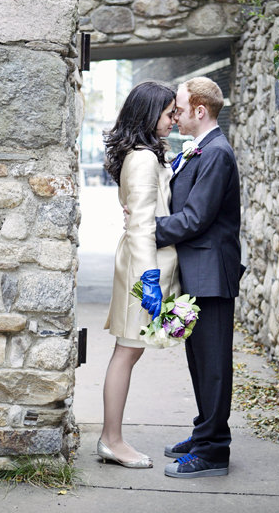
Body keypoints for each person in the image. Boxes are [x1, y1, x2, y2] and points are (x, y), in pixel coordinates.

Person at [156, 76, 242, 478]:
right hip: (197, 273)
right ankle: (204, 432)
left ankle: (213, 452)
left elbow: (195, 218)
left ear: (200, 111)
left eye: (180, 108)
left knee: (213, 365)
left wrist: (148, 228)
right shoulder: (203, 150)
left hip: (211, 275)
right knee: (199, 361)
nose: (175, 115)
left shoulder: (217, 154)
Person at [98, 81, 180, 469]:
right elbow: (143, 225)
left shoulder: (142, 154)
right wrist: (150, 281)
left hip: (135, 260)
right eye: (168, 113)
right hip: (141, 265)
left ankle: (111, 438)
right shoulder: (144, 158)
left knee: (127, 352)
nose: (173, 119)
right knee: (126, 352)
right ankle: (111, 440)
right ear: (150, 115)